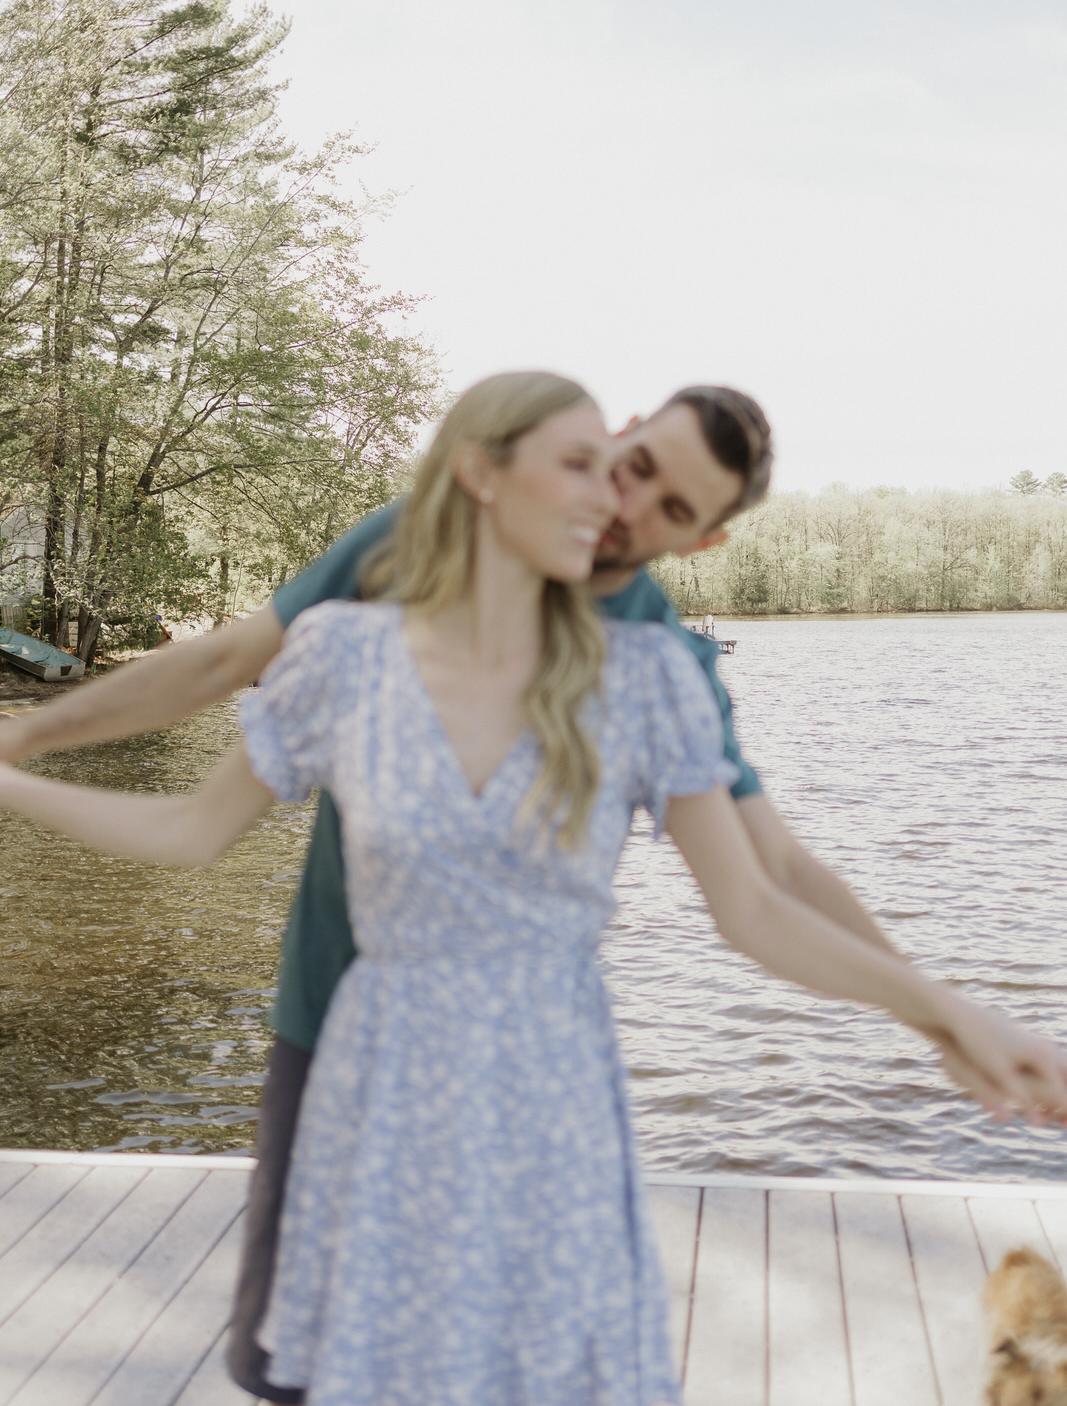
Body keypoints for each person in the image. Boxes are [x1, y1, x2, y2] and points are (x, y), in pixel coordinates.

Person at [1, 372, 1065, 1406]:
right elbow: (220, 685)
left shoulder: (652, 666)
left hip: (543, 1071)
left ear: (703, 540)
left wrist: (938, 1016)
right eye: (625, 465)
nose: (621, 507)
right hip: (350, 1025)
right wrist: (25, 740)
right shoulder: (382, 586)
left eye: (669, 506)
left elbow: (768, 883)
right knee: (315, 1358)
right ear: (604, 440)